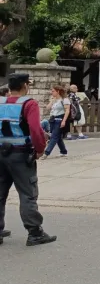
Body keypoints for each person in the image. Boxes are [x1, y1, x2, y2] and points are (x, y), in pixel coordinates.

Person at [0, 73, 56, 246]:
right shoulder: (28, 104)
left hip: (1, 154)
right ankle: (35, 232)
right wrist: (40, 149)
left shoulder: (0, 103)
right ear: (25, 85)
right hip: (21, 155)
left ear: (9, 87)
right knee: (27, 194)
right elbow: (35, 129)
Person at [41, 86, 70, 160]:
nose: (52, 92)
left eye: (53, 91)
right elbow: (48, 108)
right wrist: (52, 101)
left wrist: (64, 121)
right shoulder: (54, 100)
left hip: (59, 119)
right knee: (58, 137)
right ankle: (63, 151)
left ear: (58, 91)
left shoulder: (65, 100)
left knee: (54, 136)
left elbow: (67, 110)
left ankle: (46, 152)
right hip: (52, 119)